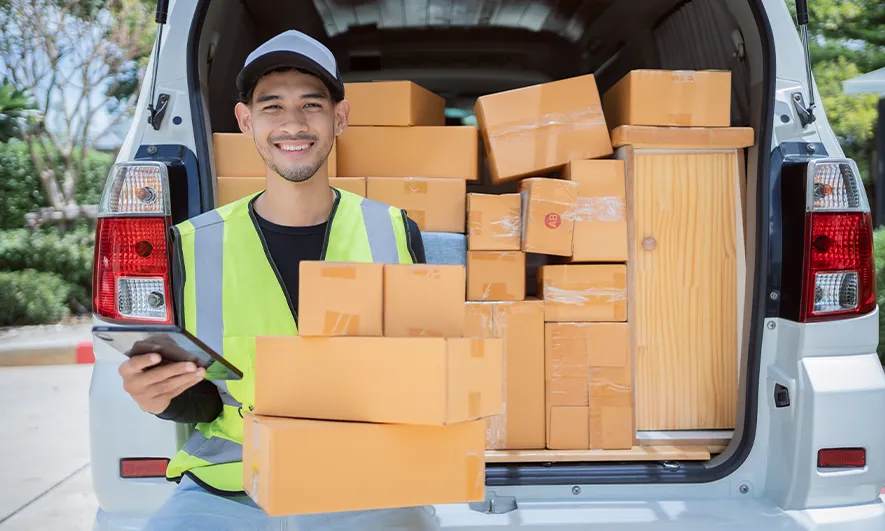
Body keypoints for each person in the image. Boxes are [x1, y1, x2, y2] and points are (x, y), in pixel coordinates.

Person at [117, 30, 438, 530]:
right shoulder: (190, 245)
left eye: (312, 104)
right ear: (246, 121)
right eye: (272, 106)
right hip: (230, 487)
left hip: (365, 483)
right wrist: (157, 397)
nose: (293, 123)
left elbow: (424, 373)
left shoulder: (394, 231)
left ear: (341, 117)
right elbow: (199, 398)